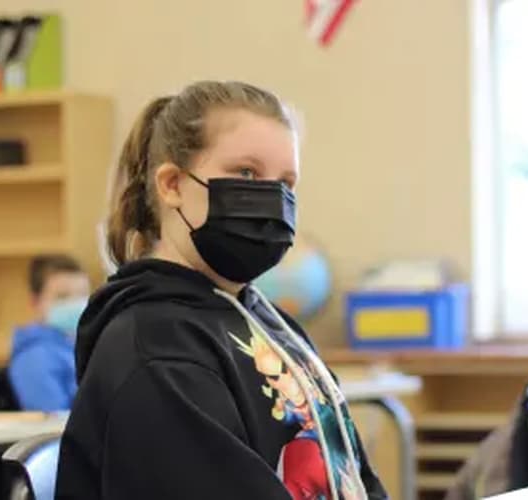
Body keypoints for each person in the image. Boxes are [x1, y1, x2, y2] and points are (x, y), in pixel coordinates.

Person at [54, 81, 386, 500]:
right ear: (173, 184)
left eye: (286, 182)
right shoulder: (156, 348)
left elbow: (353, 476)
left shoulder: (272, 324)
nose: (272, 198)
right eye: (246, 173)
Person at [8, 254, 89, 412]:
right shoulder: (35, 357)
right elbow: (53, 425)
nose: (75, 303)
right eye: (62, 297)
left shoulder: (77, 346)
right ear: (35, 302)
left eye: (82, 294)